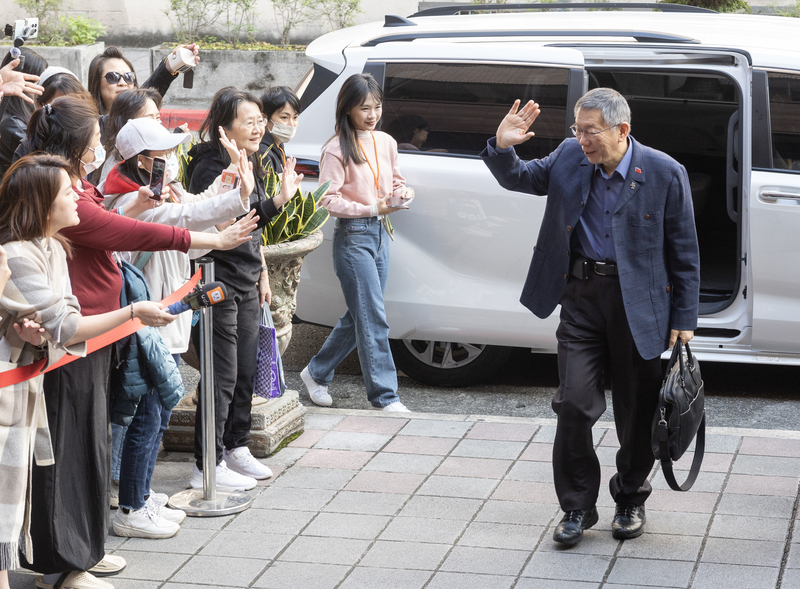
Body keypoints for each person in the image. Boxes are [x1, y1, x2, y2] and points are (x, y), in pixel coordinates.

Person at [19, 96, 258, 589]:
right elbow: (130, 228)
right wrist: (214, 241)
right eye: (96, 138)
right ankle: (65, 561)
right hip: (73, 340)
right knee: (70, 450)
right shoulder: (63, 192)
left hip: (93, 333)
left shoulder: (75, 186)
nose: (99, 146)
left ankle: (78, 550)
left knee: (90, 446)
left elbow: (151, 220)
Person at [480, 88, 700, 546]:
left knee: (637, 409)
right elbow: (518, 177)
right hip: (580, 296)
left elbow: (684, 253)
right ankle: (577, 507)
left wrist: (685, 316)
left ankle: (630, 497)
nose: (581, 139)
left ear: (622, 130)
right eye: (577, 130)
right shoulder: (567, 156)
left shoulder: (664, 172)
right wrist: (503, 146)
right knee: (574, 405)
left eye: (590, 131)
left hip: (638, 304)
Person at [0, 154, 189, 589]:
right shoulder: (17, 254)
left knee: (14, 496)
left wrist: (36, 333)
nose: (78, 198)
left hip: (25, 389)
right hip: (12, 390)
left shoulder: (53, 246)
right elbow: (66, 324)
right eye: (69, 192)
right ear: (45, 204)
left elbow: (60, 320)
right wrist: (131, 312)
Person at [103, 116, 285, 538]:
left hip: (163, 317)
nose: (170, 158)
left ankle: (140, 496)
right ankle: (131, 506)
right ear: (141, 161)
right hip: (149, 321)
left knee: (157, 413)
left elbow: (195, 208)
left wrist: (228, 186)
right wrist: (227, 218)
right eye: (162, 153)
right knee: (149, 416)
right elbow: (189, 219)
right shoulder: (132, 201)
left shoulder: (154, 193)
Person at [186, 86, 298, 491]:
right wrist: (278, 203)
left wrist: (264, 271)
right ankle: (206, 464)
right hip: (219, 281)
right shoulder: (208, 167)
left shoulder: (251, 160)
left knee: (245, 373)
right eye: (249, 122)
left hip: (248, 278)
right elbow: (226, 229)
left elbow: (252, 233)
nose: (258, 128)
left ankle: (235, 446)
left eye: (259, 121)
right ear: (224, 128)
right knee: (221, 376)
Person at [299, 73, 413, 412]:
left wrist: (402, 194)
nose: (372, 114)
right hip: (353, 238)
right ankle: (385, 397)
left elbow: (397, 181)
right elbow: (326, 200)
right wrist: (370, 206)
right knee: (374, 316)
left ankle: (316, 372)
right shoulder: (335, 149)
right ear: (348, 108)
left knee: (361, 314)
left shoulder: (387, 142)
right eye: (364, 108)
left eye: (377, 107)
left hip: (381, 234)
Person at [87, 45, 199, 116]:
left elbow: (151, 89)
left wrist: (173, 63)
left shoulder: (139, 113)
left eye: (128, 77)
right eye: (113, 77)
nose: (123, 83)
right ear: (96, 82)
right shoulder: (87, 126)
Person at [0, 48, 47, 177]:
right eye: (37, 81)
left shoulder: (22, 114)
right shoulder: (13, 124)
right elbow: (41, 162)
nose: (40, 86)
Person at [259, 85, 301, 174]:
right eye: (285, 117)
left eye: (295, 117)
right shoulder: (263, 152)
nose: (291, 124)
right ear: (264, 118)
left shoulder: (278, 144)